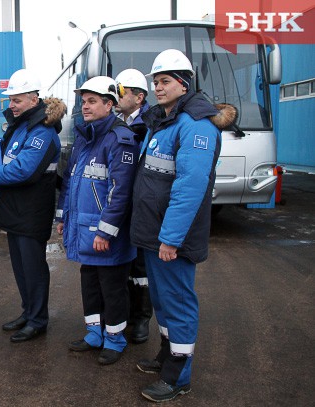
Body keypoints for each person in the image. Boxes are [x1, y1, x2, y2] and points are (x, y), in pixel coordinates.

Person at [131, 49, 236, 402]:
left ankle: (179, 377)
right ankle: (166, 355)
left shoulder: (196, 126)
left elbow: (190, 188)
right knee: (162, 300)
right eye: (155, 82)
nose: (158, 88)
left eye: (164, 82)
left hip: (171, 237)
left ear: (184, 83)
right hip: (154, 232)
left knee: (177, 302)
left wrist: (171, 238)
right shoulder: (164, 120)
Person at [0, 69, 66, 343]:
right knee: (21, 267)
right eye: (11, 99)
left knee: (33, 269)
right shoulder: (23, 125)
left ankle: (38, 320)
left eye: (17, 100)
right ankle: (28, 312)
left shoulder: (42, 131)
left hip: (32, 210)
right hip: (17, 208)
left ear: (34, 99)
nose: (11, 105)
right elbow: (9, 153)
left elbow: (23, 169)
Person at [56, 76, 140, 365]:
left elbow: (121, 192)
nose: (85, 106)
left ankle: (115, 338)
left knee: (112, 286)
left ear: (110, 104)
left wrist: (105, 232)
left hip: (105, 234)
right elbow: (69, 181)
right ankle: (94, 332)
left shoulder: (120, 139)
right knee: (89, 281)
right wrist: (63, 217)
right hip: (82, 227)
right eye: (83, 101)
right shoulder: (85, 136)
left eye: (92, 101)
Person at [114, 68, 152, 345]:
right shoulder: (119, 122)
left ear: (139, 98)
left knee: (141, 267)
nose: (117, 96)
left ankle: (142, 319)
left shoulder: (149, 126)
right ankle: (124, 314)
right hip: (122, 202)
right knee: (124, 263)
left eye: (122, 91)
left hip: (141, 204)